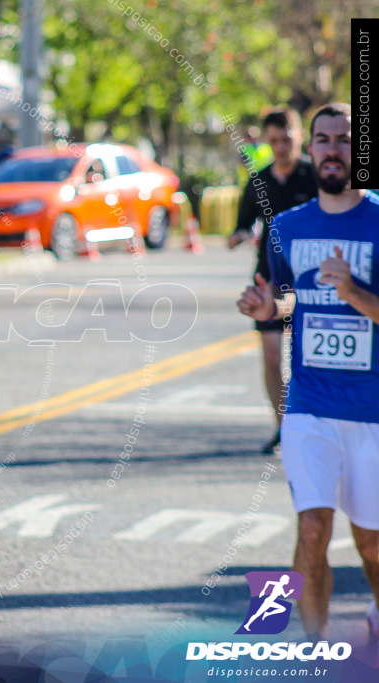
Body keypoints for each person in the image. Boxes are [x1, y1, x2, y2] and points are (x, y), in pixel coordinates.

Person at [237, 102, 379, 641]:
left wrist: (353, 294)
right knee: (314, 526)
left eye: (345, 140)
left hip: (373, 411)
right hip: (311, 406)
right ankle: (314, 652)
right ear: (311, 148)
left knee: (371, 545)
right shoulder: (287, 228)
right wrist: (269, 309)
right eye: (323, 140)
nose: (333, 150)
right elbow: (290, 299)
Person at [229, 108, 317, 454]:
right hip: (270, 281)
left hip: (311, 281)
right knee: (270, 356)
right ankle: (284, 429)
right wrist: (237, 235)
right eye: (275, 140)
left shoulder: (315, 178)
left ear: (299, 138)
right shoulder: (259, 181)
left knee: (308, 357)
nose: (281, 147)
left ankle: (313, 423)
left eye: (287, 139)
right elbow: (242, 224)